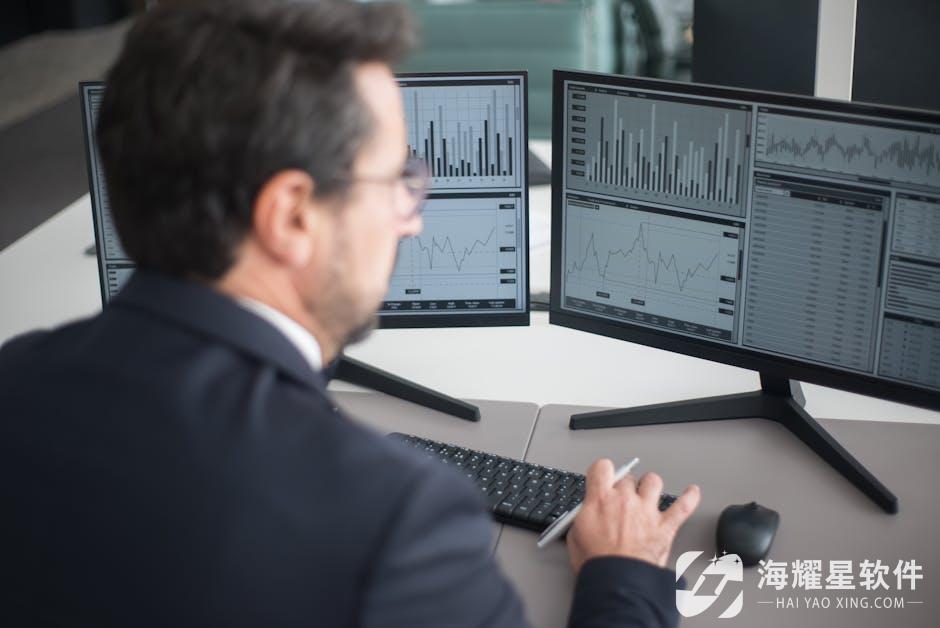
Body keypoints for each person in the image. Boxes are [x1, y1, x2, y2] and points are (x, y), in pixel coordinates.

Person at [0, 1, 700, 626]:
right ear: (292, 215)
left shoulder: (17, 377)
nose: (412, 221)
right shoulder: (392, 520)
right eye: (397, 178)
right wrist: (625, 576)